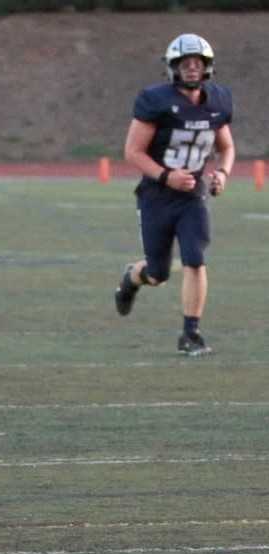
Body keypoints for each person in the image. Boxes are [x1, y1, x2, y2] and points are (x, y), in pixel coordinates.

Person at [114, 33, 234, 356]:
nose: (192, 68)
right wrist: (167, 176)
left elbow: (226, 146)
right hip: (156, 196)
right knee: (158, 273)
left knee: (195, 258)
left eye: (198, 62)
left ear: (207, 67)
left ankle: (190, 333)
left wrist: (222, 173)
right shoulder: (155, 100)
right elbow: (133, 152)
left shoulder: (218, 101)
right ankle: (132, 277)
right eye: (185, 62)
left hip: (193, 196)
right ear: (173, 67)